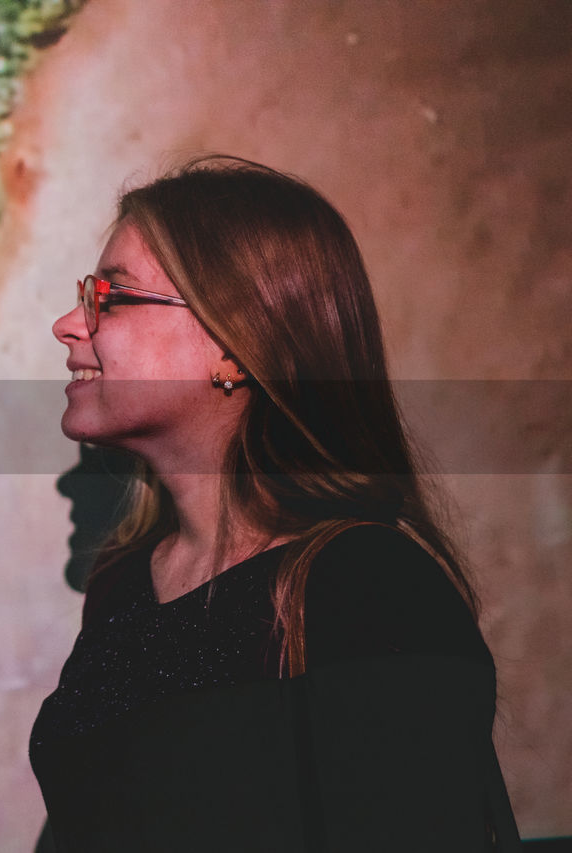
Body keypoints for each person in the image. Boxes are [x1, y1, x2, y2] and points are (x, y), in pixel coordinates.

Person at [31, 155, 523, 852]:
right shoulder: (121, 591)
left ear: (235, 344)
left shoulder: (367, 590)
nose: (67, 325)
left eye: (109, 296)